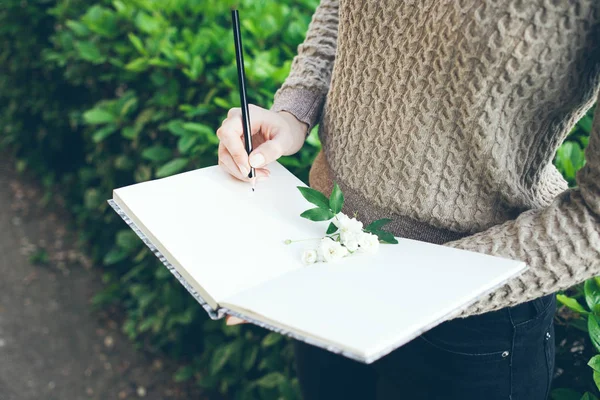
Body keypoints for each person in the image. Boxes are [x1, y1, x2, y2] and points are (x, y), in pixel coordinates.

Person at [216, 1, 600, 399]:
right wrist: (294, 110)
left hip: (468, 328)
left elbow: (595, 218)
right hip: (329, 248)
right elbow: (340, 10)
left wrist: (403, 286)